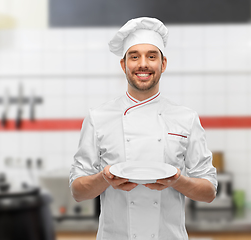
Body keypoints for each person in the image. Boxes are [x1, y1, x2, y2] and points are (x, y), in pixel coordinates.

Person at [69, 17, 217, 240]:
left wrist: (178, 181)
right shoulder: (98, 117)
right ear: (123, 64)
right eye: (134, 56)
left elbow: (209, 192)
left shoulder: (185, 118)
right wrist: (104, 178)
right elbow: (78, 191)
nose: (143, 64)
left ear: (163, 64)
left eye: (151, 56)